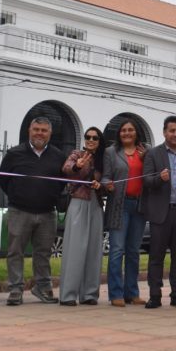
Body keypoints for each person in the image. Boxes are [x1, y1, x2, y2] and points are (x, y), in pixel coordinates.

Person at [0, 117, 67, 306]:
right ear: (29, 130)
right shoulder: (14, 153)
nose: (39, 133)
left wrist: (50, 195)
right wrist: (18, 194)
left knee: (44, 253)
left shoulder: (58, 156)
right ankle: (15, 289)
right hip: (19, 211)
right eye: (36, 129)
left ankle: (42, 287)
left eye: (44, 130)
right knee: (15, 251)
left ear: (50, 133)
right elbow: (3, 179)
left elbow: (62, 183)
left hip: (47, 213)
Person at [143, 116, 176, 308]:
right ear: (164, 132)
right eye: (172, 130)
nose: (175, 134)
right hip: (160, 212)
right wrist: (159, 178)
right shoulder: (153, 154)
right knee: (156, 255)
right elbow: (146, 181)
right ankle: (154, 295)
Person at [102, 119, 149, 307]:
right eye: (123, 130)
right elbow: (105, 176)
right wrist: (107, 184)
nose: (127, 133)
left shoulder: (145, 151)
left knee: (133, 252)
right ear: (119, 133)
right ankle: (115, 293)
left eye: (130, 130)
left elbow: (151, 174)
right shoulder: (110, 152)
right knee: (116, 251)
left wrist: (147, 158)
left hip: (139, 206)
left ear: (136, 132)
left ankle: (132, 292)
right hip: (119, 205)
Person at [59, 127, 105, 306]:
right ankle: (68, 294)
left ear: (100, 141)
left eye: (95, 137)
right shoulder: (76, 154)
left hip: (96, 205)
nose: (91, 140)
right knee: (74, 249)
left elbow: (108, 179)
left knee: (94, 249)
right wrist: (77, 165)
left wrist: (101, 184)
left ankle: (89, 294)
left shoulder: (103, 159)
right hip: (78, 202)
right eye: (88, 137)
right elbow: (66, 169)